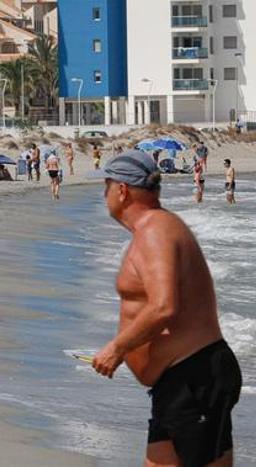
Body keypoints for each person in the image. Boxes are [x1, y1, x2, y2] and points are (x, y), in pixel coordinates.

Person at [89, 150, 242, 467]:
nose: (104, 195)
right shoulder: (153, 229)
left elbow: (164, 306)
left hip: (194, 377)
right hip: (181, 381)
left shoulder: (156, 231)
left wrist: (117, 348)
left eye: (106, 186)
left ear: (122, 190)